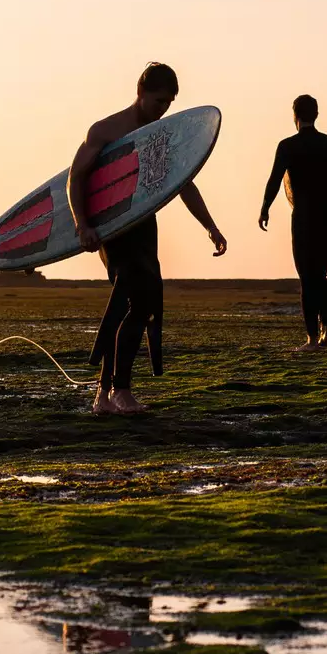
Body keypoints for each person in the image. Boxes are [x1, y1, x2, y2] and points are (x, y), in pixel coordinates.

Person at [70, 62, 228, 415]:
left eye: (169, 103)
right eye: (159, 101)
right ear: (140, 93)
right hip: (112, 229)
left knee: (134, 305)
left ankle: (104, 394)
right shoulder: (106, 130)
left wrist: (210, 227)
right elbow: (75, 179)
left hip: (144, 227)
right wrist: (82, 225)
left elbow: (183, 183)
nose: (163, 109)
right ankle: (120, 391)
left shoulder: (160, 136)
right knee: (137, 302)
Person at [258, 94, 327, 352]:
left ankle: (311, 339)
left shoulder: (288, 146)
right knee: (320, 273)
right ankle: (326, 330)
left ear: (295, 116)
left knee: (307, 278)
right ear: (316, 115)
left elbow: (275, 179)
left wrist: (265, 208)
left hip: (305, 218)